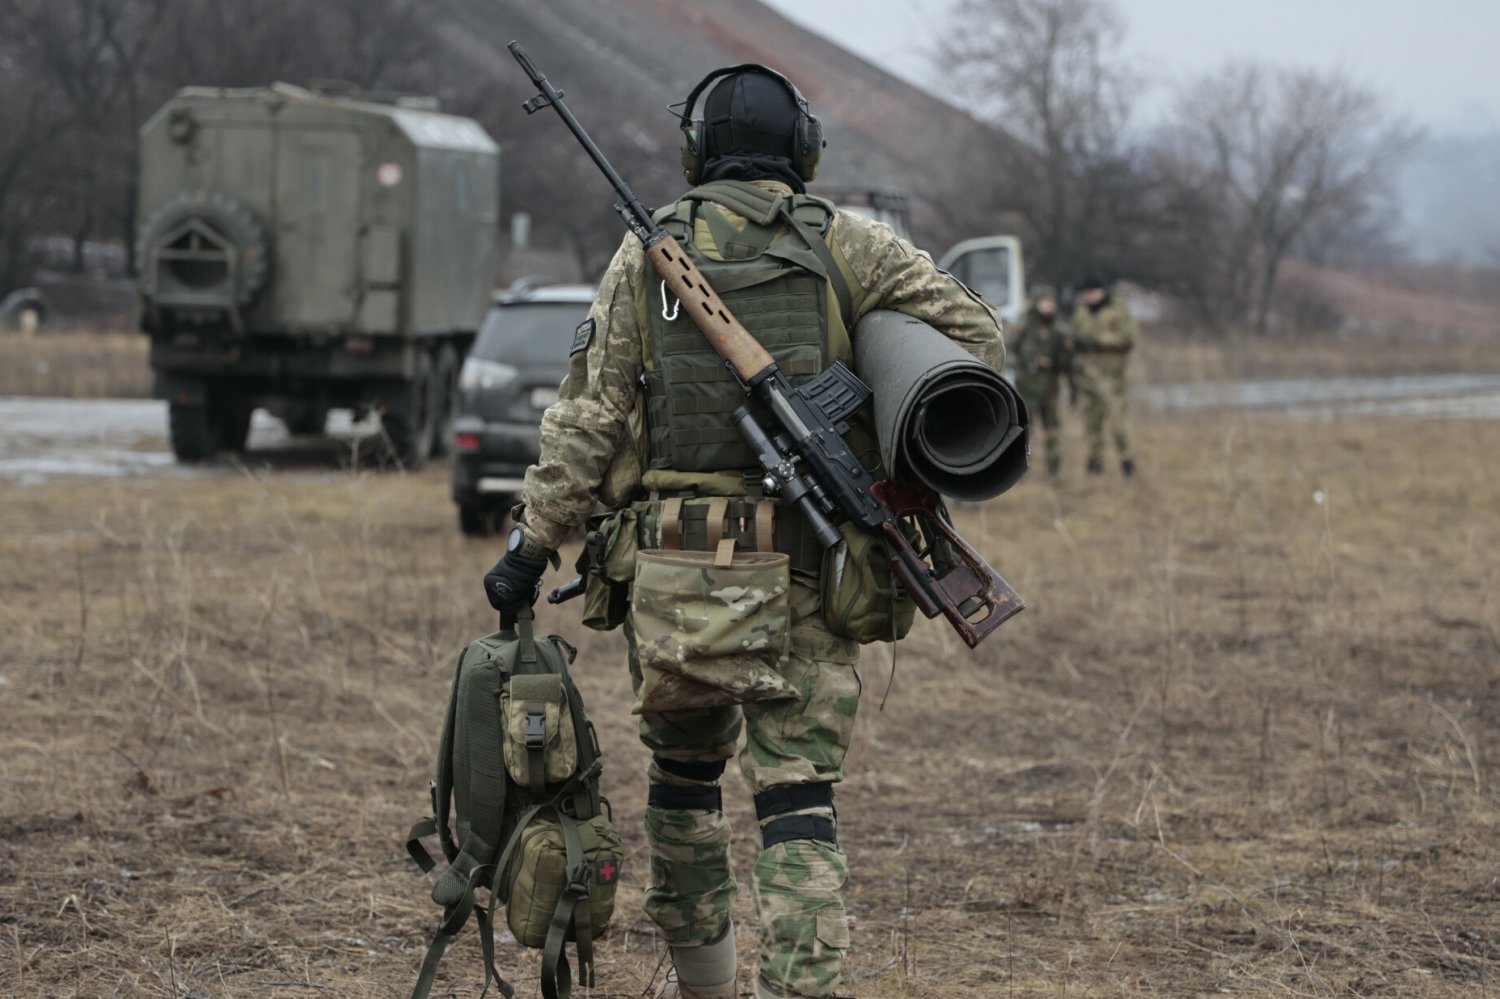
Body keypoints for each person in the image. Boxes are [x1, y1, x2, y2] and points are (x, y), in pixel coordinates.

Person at [483, 64, 1004, 999]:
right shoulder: (849, 241)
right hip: (809, 564)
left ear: (695, 151)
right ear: (805, 149)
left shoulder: (643, 257)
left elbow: (586, 421)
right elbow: (977, 339)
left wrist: (530, 547)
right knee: (797, 802)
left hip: (674, 571)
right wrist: (868, 343)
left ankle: (707, 987)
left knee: (683, 786)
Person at [1070, 275, 1138, 476]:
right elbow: (1074, 337)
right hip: (1087, 377)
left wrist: (1097, 340)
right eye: (1085, 293)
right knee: (1091, 423)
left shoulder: (1118, 309)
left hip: (1112, 377)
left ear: (1102, 291)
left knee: (1118, 422)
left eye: (1091, 292)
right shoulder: (1081, 312)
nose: (1088, 297)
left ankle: (1127, 461)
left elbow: (1129, 338)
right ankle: (1094, 462)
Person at [1007, 285, 1072, 475]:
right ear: (1036, 304)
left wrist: (1052, 363)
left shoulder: (1060, 330)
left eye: (1051, 303)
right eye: (1045, 302)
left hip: (1050, 388)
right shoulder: (1023, 326)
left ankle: (1054, 468)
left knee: (1052, 429)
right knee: (1025, 429)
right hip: (1026, 387)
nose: (1048, 306)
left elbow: (1068, 361)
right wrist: (1028, 363)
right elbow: (1009, 352)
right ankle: (1020, 467)